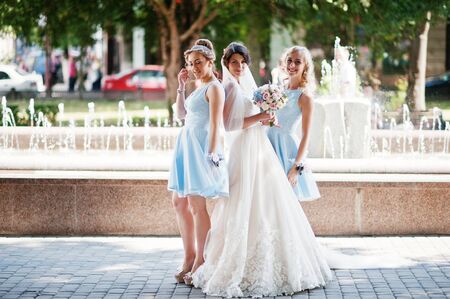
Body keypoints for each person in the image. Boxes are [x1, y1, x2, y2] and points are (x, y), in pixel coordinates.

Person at [192, 42, 331, 297]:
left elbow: (261, 117)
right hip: (247, 149)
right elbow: (229, 124)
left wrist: (267, 116)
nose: (240, 66)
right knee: (244, 201)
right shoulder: (229, 86)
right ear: (226, 63)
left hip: (260, 149)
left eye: (243, 62)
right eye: (234, 62)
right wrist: (262, 117)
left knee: (266, 204)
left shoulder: (245, 84)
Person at [167, 39, 228, 285]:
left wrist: (211, 154)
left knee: (196, 206)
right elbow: (182, 115)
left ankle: (200, 261)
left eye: (199, 63)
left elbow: (215, 123)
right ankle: (188, 255)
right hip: (186, 145)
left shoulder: (214, 87)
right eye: (191, 64)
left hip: (201, 148)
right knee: (179, 202)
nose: (194, 67)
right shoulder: (197, 85)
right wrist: (181, 86)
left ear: (210, 62)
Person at [267, 46, 321, 202]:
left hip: (285, 149)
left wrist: (297, 166)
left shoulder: (305, 97)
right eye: (289, 60)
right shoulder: (277, 90)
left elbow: (306, 136)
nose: (292, 65)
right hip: (268, 144)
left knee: (284, 202)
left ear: (305, 66)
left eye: (297, 62)